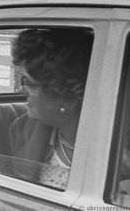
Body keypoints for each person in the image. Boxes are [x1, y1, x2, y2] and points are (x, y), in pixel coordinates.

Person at [8, 28, 93, 189]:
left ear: (66, 98)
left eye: (29, 83)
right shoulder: (21, 130)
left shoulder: (119, 146)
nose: (22, 90)